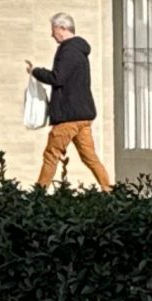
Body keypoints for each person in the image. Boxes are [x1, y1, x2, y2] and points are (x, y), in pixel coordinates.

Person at [27, 13, 111, 191]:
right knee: (89, 157)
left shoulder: (68, 49)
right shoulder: (80, 50)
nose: (52, 35)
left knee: (51, 155)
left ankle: (38, 195)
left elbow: (58, 78)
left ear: (63, 28)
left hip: (69, 116)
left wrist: (35, 71)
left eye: (54, 30)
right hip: (83, 116)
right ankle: (110, 190)